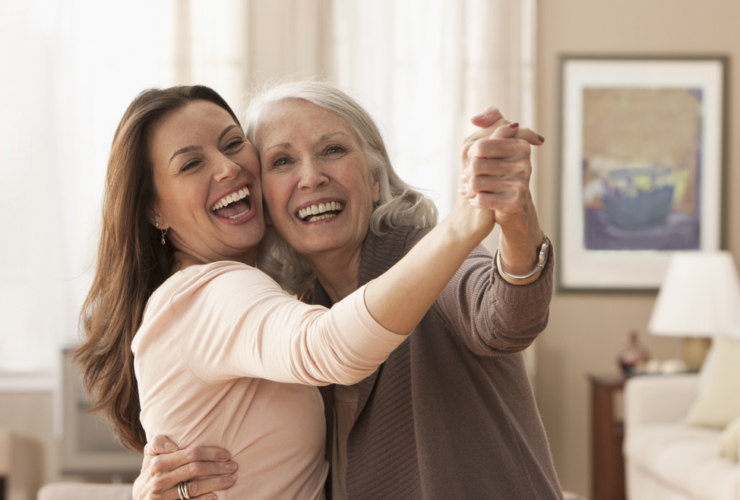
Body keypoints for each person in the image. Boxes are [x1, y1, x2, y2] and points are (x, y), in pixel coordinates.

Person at [75, 84, 514, 500]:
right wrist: (461, 225)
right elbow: (328, 346)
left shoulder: (275, 294)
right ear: (154, 209)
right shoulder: (211, 291)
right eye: (191, 164)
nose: (227, 168)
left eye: (232, 144)